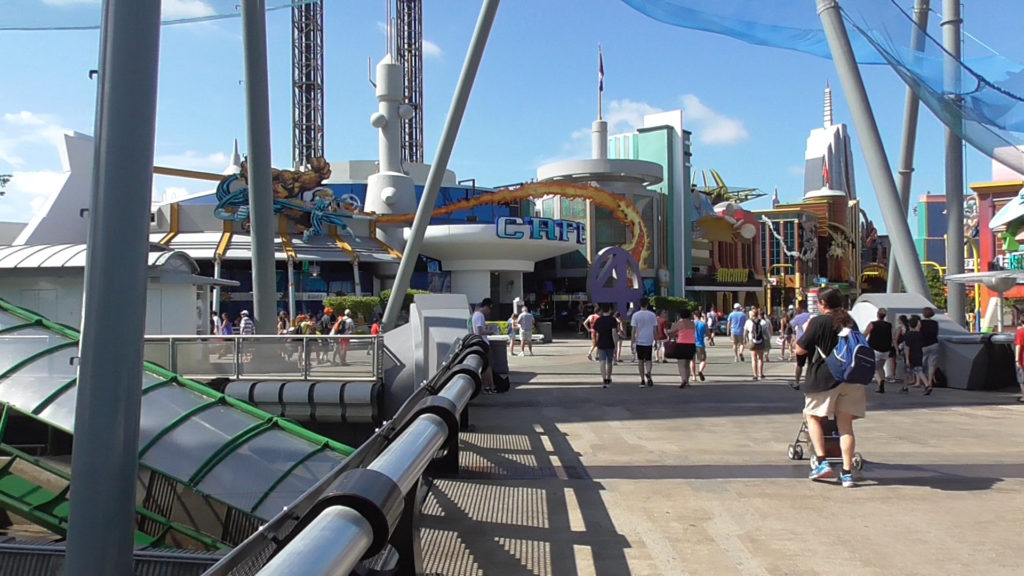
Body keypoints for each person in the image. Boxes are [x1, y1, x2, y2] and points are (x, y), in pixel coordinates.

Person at [795, 287, 867, 488]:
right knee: (845, 426)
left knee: (812, 416)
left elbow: (800, 348)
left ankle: (822, 462)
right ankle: (846, 473)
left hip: (825, 378)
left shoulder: (818, 322)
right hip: (852, 378)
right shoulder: (850, 322)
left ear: (823, 304)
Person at [863, 308, 894, 393]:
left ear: (877, 314)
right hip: (886, 349)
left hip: (874, 348)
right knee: (881, 367)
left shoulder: (872, 324)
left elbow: (865, 334)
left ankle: (880, 382)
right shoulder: (889, 325)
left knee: (874, 368)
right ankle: (882, 381)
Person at [630, 298, 658, 387]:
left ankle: (642, 379)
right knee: (649, 359)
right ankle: (649, 373)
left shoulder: (635, 315)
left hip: (639, 340)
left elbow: (633, 330)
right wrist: (656, 340)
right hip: (649, 340)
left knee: (640, 360)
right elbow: (655, 329)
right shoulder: (652, 315)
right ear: (647, 304)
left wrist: (632, 341)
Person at [472, 298, 497, 393]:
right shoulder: (480, 315)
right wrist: (490, 332)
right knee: (488, 366)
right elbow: (480, 331)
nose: (489, 311)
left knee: (483, 366)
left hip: (479, 342)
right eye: (489, 308)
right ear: (486, 306)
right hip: (484, 343)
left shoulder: (475, 315)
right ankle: (491, 386)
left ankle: (486, 386)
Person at [668, 309, 697, 388]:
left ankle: (683, 379)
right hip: (691, 345)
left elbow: (671, 331)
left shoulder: (679, 323)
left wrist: (669, 334)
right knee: (687, 364)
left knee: (681, 364)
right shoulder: (692, 324)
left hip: (681, 344)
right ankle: (687, 381)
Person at [593, 304, 619, 387]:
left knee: (602, 361)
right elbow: (614, 333)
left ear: (602, 310)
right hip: (610, 343)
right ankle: (608, 377)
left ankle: (604, 378)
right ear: (610, 310)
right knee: (609, 362)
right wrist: (616, 345)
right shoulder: (613, 320)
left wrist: (596, 343)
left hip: (601, 343)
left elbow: (596, 334)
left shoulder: (598, 320)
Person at [790, 303, 812, 389]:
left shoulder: (798, 317)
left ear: (800, 307)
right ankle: (810, 382)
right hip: (811, 342)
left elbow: (791, 325)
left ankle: (797, 382)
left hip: (801, 343)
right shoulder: (812, 316)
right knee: (811, 363)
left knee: (799, 364)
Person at [903, 315, 928, 393]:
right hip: (918, 354)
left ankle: (905, 386)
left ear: (909, 325)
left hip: (910, 355)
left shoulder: (907, 335)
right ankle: (927, 385)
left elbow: (907, 347)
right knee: (919, 371)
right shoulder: (920, 335)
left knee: (907, 371)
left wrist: (907, 359)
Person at [744, 308, 770, 380]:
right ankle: (761, 374)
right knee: (760, 358)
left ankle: (755, 375)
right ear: (758, 314)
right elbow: (766, 333)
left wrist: (745, 340)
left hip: (752, 341)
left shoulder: (748, 322)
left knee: (753, 358)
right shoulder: (763, 322)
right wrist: (767, 339)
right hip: (761, 341)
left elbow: (745, 332)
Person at [920, 307, 940, 391]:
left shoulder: (920, 323)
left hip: (923, 345)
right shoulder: (935, 323)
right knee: (932, 364)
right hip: (934, 344)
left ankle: (923, 382)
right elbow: (936, 333)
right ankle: (930, 381)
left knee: (921, 363)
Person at [692, 311, 708, 381]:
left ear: (695, 316)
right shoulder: (703, 324)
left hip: (691, 344)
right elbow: (708, 334)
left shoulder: (691, 324)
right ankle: (700, 371)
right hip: (700, 344)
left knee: (692, 361)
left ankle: (694, 377)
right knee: (702, 360)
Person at [1014, 317, 1024, 402]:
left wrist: (1017, 359)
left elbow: (1019, 346)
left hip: (1023, 359)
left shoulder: (1020, 332)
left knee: (1022, 379)